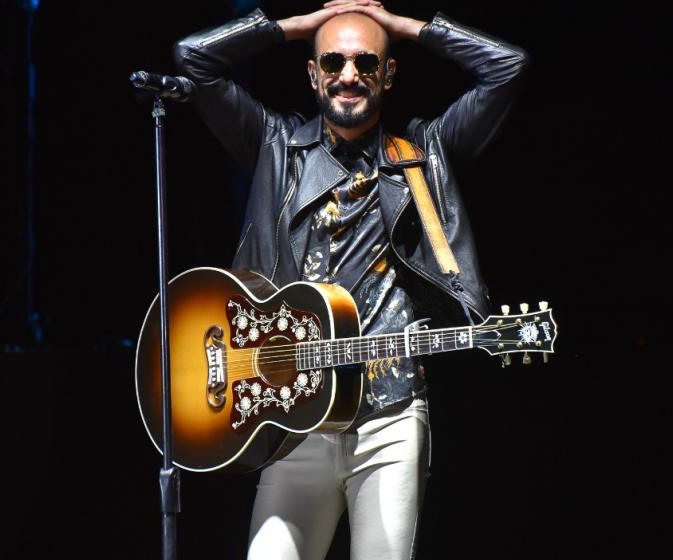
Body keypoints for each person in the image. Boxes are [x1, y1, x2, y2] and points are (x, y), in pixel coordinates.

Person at [174, 1, 527, 558]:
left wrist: (405, 27)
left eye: (366, 62)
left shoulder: (424, 155)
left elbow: (507, 67)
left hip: (389, 417)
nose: (348, 75)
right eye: (333, 61)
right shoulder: (274, 147)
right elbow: (193, 58)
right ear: (313, 73)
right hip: (295, 420)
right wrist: (297, 27)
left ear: (388, 73)